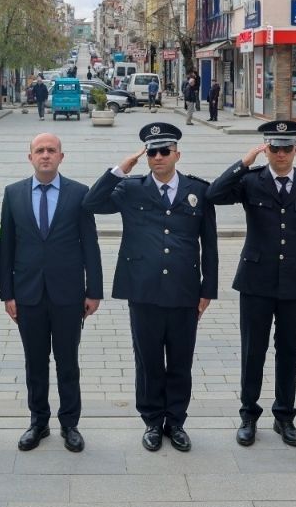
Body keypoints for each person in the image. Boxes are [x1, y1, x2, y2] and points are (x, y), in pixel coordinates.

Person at [84, 122, 218, 452]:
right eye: (152, 152)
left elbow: (210, 244)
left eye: (164, 151)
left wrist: (207, 290)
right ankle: (152, 422)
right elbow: (92, 202)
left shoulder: (198, 190)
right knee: (148, 361)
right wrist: (120, 169)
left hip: (184, 291)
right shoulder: (131, 188)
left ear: (177, 154)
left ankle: (176, 422)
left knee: (181, 360)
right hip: (142, 290)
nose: (158, 157)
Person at [206, 121, 296, 447]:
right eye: (275, 148)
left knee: (289, 352)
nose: (282, 154)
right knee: (253, 351)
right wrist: (244, 162)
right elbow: (213, 194)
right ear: (266, 149)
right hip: (256, 282)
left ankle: (284, 416)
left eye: (287, 148)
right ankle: (248, 415)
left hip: (295, 284)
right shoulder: (250, 180)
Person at [0, 133, 103, 453]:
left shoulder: (79, 194)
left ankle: (69, 423)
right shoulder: (14, 194)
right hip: (28, 295)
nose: (45, 155)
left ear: (61, 156)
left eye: (51, 151)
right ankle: (38, 422)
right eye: (39, 151)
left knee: (67, 361)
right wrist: (8, 294)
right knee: (35, 362)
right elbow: (6, 247)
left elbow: (90, 245)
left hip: (68, 295)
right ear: (30, 157)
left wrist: (94, 291)